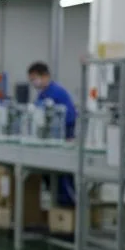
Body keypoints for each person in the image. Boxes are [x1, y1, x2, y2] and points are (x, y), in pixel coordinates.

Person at [28, 62, 77, 205]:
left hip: (61, 140)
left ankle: (69, 207)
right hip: (48, 141)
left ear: (45, 76)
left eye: (35, 78)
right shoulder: (42, 95)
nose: (34, 82)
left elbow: (70, 117)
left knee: (63, 177)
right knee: (49, 175)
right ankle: (59, 208)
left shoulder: (56, 92)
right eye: (31, 80)